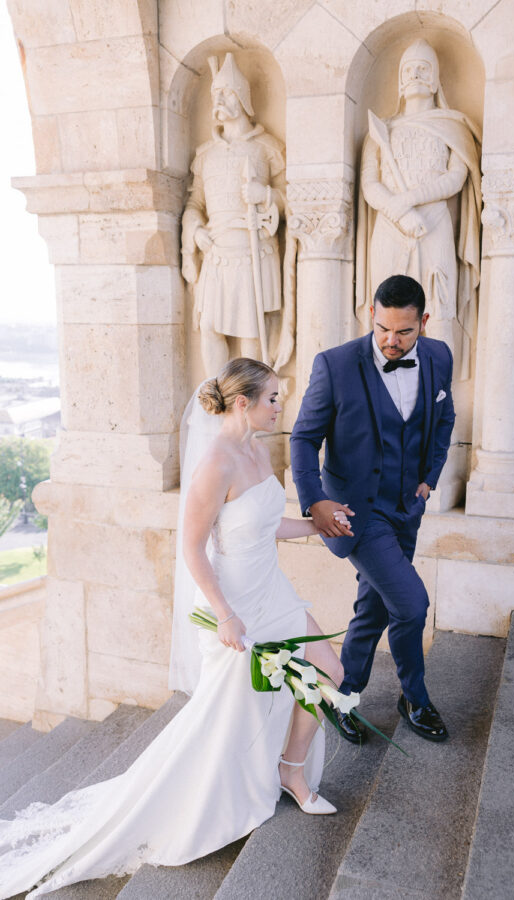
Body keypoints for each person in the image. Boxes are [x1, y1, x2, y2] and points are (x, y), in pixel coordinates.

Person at [0, 359, 344, 899]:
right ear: (241, 403)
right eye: (273, 398)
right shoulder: (215, 461)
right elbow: (191, 547)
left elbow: (261, 522)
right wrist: (225, 614)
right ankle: (211, 795)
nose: (281, 406)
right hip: (237, 605)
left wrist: (316, 526)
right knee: (227, 712)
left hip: (274, 593)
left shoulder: (257, 449)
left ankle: (290, 771)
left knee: (328, 670)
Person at [291, 275, 454, 744]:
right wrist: (315, 500)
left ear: (422, 322)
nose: (391, 340)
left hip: (408, 506)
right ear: (371, 313)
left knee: (375, 605)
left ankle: (343, 692)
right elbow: (303, 438)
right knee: (411, 603)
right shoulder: (336, 365)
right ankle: (414, 699)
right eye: (383, 328)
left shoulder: (439, 355)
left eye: (404, 332)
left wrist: (430, 477)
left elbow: (444, 417)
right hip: (356, 513)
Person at [356, 39, 480, 381]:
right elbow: (370, 185)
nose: (415, 74)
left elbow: (456, 178)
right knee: (387, 315)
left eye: (424, 68)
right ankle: (384, 397)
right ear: (399, 79)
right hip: (390, 228)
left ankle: (438, 400)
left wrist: (408, 201)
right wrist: (399, 211)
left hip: (433, 223)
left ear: (436, 77)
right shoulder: (381, 130)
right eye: (408, 69)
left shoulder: (453, 125)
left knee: (439, 309)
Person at [181, 53, 295, 374]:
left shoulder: (268, 148)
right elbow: (194, 204)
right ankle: (215, 401)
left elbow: (293, 201)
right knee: (210, 329)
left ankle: (251, 407)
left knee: (251, 332)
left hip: (253, 248)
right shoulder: (205, 156)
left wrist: (267, 194)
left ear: (243, 98)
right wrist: (195, 231)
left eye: (227, 92)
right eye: (215, 94)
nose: (219, 99)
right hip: (216, 250)